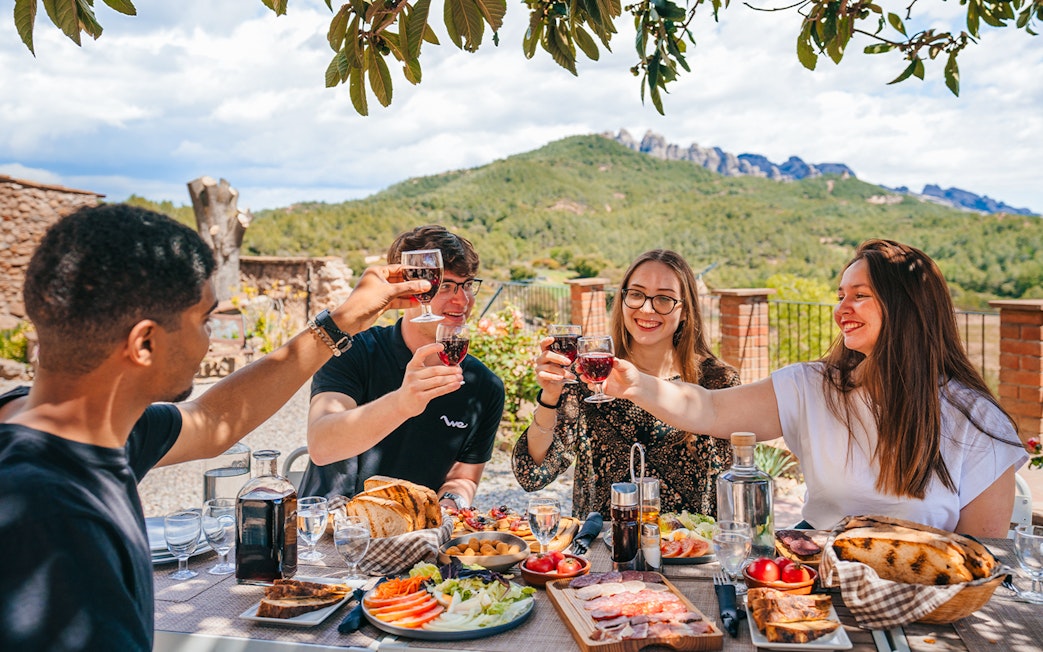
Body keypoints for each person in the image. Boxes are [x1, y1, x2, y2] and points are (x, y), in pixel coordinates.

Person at [0, 204, 432, 651]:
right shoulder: (50, 518)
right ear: (144, 343)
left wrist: (340, 323)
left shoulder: (80, 423)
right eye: (206, 319)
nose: (210, 339)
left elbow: (215, 422)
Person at [598, 239, 1028, 538]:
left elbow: (981, 556)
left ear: (906, 307)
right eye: (840, 295)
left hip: (925, 603)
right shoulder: (813, 387)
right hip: (818, 589)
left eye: (859, 295)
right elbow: (707, 411)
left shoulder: (975, 419)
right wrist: (636, 384)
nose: (842, 309)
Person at [512, 249, 740, 517]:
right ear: (622, 300)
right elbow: (533, 475)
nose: (646, 308)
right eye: (636, 294)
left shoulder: (718, 381)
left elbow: (734, 485)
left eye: (664, 299)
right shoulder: (588, 376)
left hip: (689, 549)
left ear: (686, 310)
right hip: (605, 551)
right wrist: (549, 396)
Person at [300, 225, 505, 510]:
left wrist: (451, 504)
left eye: (467, 285)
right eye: (445, 286)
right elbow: (322, 445)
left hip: (418, 537)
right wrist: (402, 403)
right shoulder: (352, 351)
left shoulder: (484, 386)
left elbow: (463, 479)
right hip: (330, 534)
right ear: (410, 291)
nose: (463, 300)